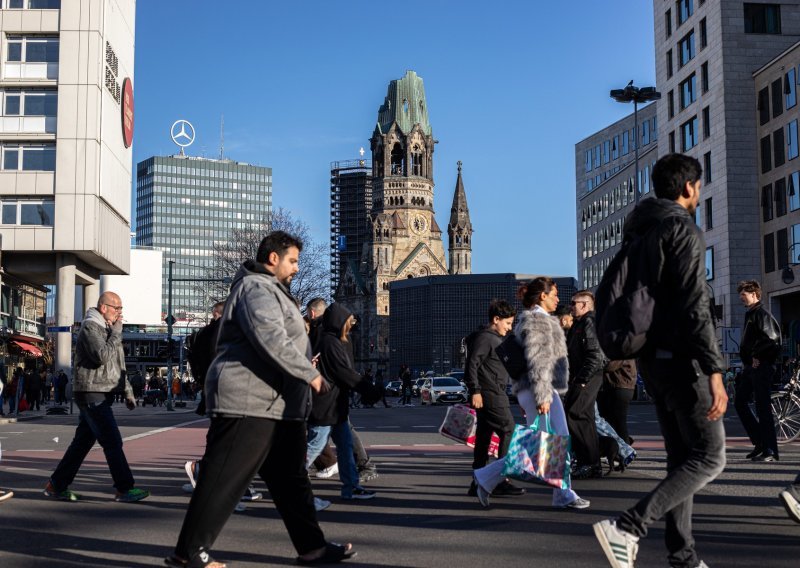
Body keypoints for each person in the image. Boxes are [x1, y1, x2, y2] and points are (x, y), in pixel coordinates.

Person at [167, 231, 355, 568]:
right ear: (273, 258)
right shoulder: (256, 288)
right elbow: (270, 336)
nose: (296, 268)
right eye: (293, 261)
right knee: (223, 478)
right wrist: (309, 373)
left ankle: (312, 548)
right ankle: (188, 553)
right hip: (249, 401)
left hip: (275, 405)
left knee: (291, 481)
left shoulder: (271, 289)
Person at [593, 153, 727, 568]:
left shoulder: (640, 230)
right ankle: (628, 526)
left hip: (652, 360)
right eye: (699, 186)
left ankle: (683, 556)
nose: (699, 193)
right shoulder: (682, 229)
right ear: (688, 187)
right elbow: (694, 304)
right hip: (684, 361)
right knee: (710, 456)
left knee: (680, 459)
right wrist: (714, 368)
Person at [473, 277, 590, 511]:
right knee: (548, 443)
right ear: (542, 296)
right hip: (540, 388)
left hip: (537, 388)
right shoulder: (538, 320)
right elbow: (538, 360)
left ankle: (560, 493)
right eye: (554, 294)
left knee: (547, 443)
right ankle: (488, 478)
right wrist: (543, 395)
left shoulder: (537, 319)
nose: (558, 299)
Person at [44, 291, 150, 504]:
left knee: (82, 443)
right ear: (104, 308)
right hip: (91, 391)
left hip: (101, 391)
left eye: (121, 308)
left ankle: (56, 485)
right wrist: (116, 333)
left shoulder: (108, 329)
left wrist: (128, 391)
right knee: (112, 440)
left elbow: (118, 365)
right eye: (117, 308)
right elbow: (101, 356)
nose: (120, 313)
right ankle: (124, 488)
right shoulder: (90, 327)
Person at [306, 302, 376, 501]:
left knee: (345, 447)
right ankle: (287, 481)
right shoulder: (330, 342)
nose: (351, 325)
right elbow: (344, 372)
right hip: (326, 405)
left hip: (335, 406)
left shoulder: (331, 340)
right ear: (339, 322)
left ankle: (351, 486)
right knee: (314, 447)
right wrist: (368, 389)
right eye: (349, 321)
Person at [465, 299, 524, 499]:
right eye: (507, 323)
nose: (509, 328)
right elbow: (472, 364)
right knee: (509, 430)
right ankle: (499, 480)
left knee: (484, 437)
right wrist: (475, 390)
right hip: (491, 394)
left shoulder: (491, 338)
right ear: (496, 319)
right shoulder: (486, 338)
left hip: (490, 392)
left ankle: (477, 482)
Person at [735, 280, 781, 462]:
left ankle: (770, 450)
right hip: (751, 368)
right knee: (740, 401)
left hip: (761, 367)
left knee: (763, 408)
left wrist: (757, 355)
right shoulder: (752, 314)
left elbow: (772, 339)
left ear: (754, 294)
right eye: (740, 294)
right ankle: (760, 442)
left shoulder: (761, 314)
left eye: (744, 294)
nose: (741, 297)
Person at [566, 290, 606, 479]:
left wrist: (582, 379)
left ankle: (589, 462)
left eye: (574, 303)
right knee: (584, 417)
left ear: (584, 305)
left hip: (587, 376)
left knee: (576, 414)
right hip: (584, 375)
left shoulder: (589, 322)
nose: (571, 306)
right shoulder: (580, 323)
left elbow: (595, 354)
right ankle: (591, 463)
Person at [598, 360, 637, 446]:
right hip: (618, 385)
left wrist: (595, 364)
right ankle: (622, 446)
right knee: (613, 422)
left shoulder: (620, 352)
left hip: (619, 385)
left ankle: (625, 448)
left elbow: (611, 365)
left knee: (618, 423)